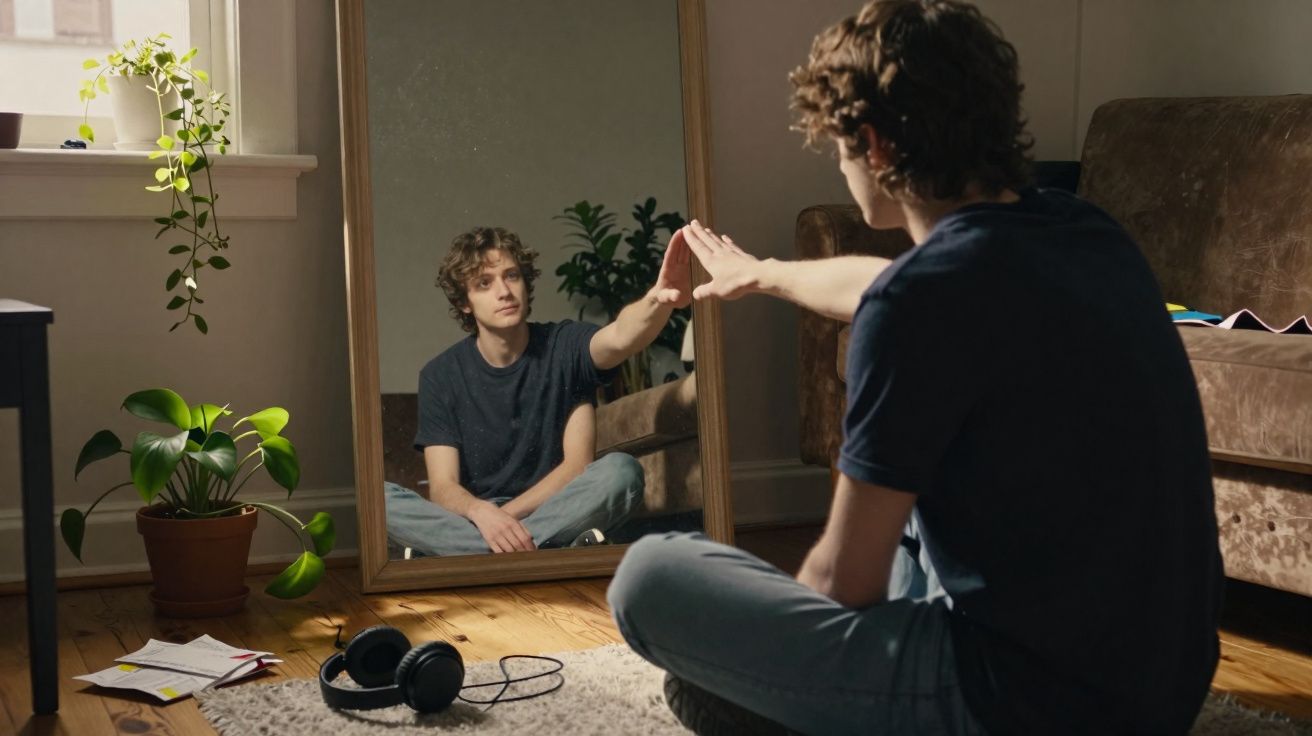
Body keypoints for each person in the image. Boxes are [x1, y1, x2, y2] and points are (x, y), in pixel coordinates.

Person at [607, 1, 1223, 734]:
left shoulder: (920, 303)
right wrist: (764, 272)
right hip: (1165, 688)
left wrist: (783, 650)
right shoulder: (1085, 233)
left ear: (873, 145)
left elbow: (843, 584)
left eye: (837, 148)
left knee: (650, 579)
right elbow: (885, 287)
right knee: (916, 524)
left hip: (1026, 704)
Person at [385, 225, 692, 556]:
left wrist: (659, 298)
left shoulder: (564, 346)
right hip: (478, 518)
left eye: (511, 275)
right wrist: (482, 515)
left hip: (552, 509)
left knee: (622, 471)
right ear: (464, 303)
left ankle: (472, 556)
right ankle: (544, 550)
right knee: (378, 501)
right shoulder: (440, 374)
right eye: (484, 283)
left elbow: (619, 337)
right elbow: (444, 487)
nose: (504, 291)